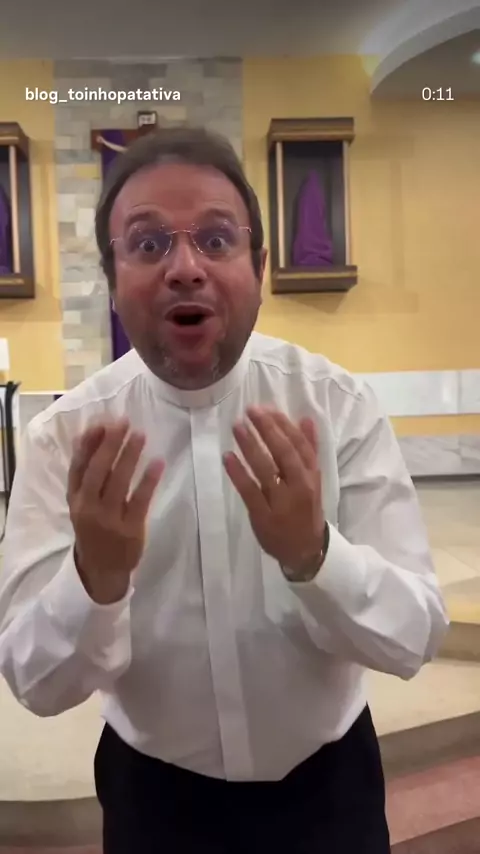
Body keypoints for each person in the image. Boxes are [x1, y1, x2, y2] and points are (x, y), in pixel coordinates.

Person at [0, 126, 449, 853]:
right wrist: (95, 580)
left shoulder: (337, 405)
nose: (185, 269)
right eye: (148, 244)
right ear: (113, 279)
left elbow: (414, 637)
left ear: (259, 267)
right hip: (154, 801)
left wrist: (314, 554)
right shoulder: (65, 438)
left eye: (216, 240)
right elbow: (34, 682)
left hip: (330, 791)